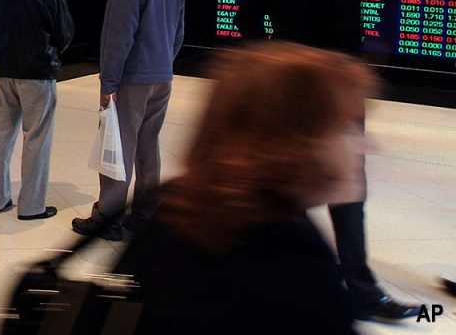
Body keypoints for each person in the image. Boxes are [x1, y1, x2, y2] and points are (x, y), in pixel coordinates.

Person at [235, 0, 417, 323]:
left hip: (284, 94)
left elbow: (245, 18)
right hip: (332, 97)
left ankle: (283, 282)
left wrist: (276, 60)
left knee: (286, 186)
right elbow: (344, 36)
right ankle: (360, 289)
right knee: (347, 189)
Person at [112, 43, 374, 334]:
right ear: (297, 141)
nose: (367, 145)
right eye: (347, 128)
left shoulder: (177, 211)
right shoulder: (289, 262)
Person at [72, 0, 185, 240]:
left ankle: (108, 218)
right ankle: (146, 214)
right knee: (148, 146)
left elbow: (119, 33)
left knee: (117, 146)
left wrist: (109, 81)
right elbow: (179, 33)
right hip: (162, 76)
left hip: (132, 77)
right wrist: (163, 64)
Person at [0, 0, 74, 220]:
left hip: (4, 73)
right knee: (36, 137)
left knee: (1, 135)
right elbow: (64, 33)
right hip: (37, 74)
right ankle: (32, 206)